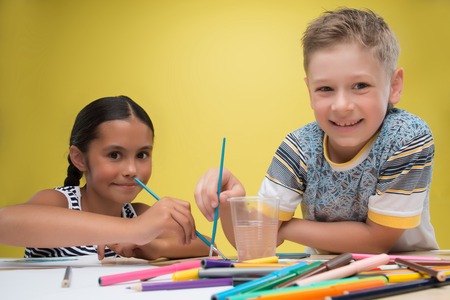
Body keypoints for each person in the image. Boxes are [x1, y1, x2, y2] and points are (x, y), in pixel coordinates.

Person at [194, 8, 439, 254]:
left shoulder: (407, 137)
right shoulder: (298, 147)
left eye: (360, 85)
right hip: (323, 274)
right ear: (309, 91)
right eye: (325, 89)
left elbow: (376, 241)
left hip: (408, 274)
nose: (341, 106)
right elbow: (257, 240)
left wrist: (282, 227)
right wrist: (229, 202)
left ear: (394, 86)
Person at [0, 95, 209, 259]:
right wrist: (133, 230)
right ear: (79, 158)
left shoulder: (137, 214)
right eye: (114, 155)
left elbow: (208, 246)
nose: (131, 169)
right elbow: (4, 223)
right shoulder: (60, 202)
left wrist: (154, 246)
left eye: (142, 155)